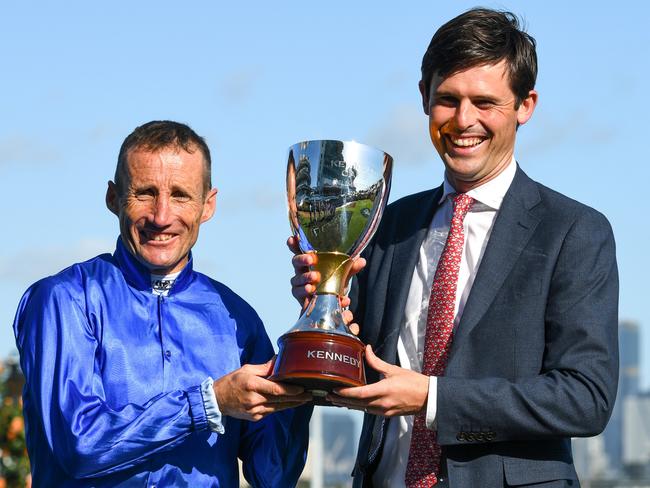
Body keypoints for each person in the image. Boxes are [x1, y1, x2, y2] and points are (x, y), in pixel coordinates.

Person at [290, 8, 618, 488]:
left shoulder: (574, 231)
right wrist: (323, 299)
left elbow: (585, 397)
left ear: (525, 105)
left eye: (485, 102)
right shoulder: (387, 222)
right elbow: (357, 366)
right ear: (424, 98)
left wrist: (433, 399)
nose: (464, 121)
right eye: (448, 99)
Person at [14, 120, 312, 487]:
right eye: (145, 193)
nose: (161, 216)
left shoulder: (238, 318)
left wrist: (307, 349)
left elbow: (273, 475)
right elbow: (80, 446)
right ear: (113, 198)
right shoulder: (62, 299)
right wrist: (208, 403)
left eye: (181, 195)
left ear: (208, 205)